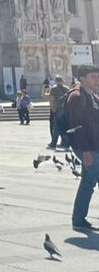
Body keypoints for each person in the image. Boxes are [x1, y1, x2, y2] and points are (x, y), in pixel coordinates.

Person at [68, 64, 99, 232]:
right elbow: (77, 126)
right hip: (85, 147)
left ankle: (78, 219)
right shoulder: (76, 97)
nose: (97, 79)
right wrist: (85, 151)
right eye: (93, 76)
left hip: (94, 145)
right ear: (82, 78)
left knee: (88, 182)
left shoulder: (92, 97)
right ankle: (78, 218)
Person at [48, 75, 70, 150]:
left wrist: (52, 108)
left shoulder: (53, 89)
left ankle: (53, 143)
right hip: (66, 110)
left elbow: (51, 99)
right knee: (64, 126)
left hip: (58, 110)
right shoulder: (67, 89)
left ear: (56, 81)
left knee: (56, 127)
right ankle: (65, 143)